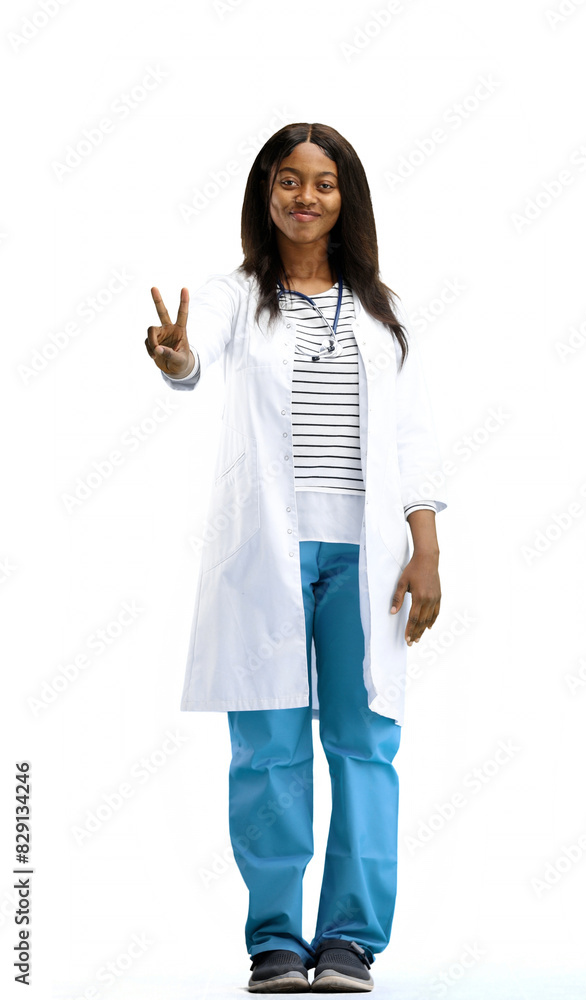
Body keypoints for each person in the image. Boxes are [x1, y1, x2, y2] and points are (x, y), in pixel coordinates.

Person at [145, 122, 447, 993]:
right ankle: (275, 940)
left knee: (362, 745)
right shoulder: (240, 294)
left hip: (366, 555)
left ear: (345, 197)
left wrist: (426, 548)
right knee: (268, 749)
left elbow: (416, 440)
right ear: (264, 193)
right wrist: (176, 357)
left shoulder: (384, 314)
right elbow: (193, 352)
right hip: (266, 555)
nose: (303, 197)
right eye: (287, 180)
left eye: (322, 182)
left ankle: (349, 939)